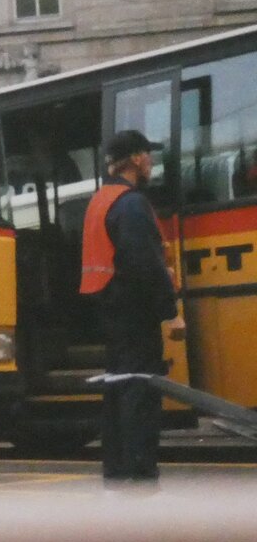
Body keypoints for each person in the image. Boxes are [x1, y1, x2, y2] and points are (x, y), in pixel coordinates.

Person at [80, 130, 184, 482]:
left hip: (108, 308)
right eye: (148, 156)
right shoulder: (131, 203)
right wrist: (170, 313)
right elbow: (146, 263)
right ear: (137, 159)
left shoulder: (100, 200)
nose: (151, 162)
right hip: (133, 311)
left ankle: (116, 470)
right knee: (140, 391)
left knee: (118, 388)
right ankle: (140, 474)